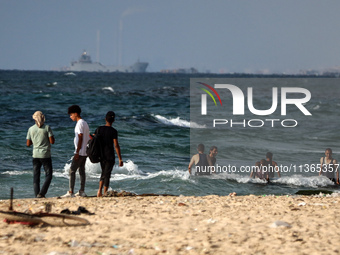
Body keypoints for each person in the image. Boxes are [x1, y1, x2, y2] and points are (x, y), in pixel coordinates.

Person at [62, 105, 90, 198]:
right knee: (82, 170)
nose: (70, 117)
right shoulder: (85, 123)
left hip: (80, 151)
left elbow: (81, 137)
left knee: (72, 171)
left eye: (71, 115)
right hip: (85, 151)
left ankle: (71, 192)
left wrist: (77, 152)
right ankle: (82, 191)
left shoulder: (79, 124)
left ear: (76, 114)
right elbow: (88, 137)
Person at [26, 111, 55, 198]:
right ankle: (42, 193)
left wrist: (35, 140)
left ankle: (37, 195)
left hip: (35, 155)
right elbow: (52, 141)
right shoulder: (47, 127)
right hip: (45, 155)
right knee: (49, 175)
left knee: (36, 176)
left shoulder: (31, 129)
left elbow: (28, 144)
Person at [95, 111, 123, 197]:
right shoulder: (114, 131)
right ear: (113, 120)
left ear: (105, 119)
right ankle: (103, 192)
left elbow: (93, 138)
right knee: (107, 174)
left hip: (101, 155)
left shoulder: (99, 129)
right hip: (110, 155)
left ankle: (100, 191)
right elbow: (116, 145)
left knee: (104, 172)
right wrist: (120, 158)